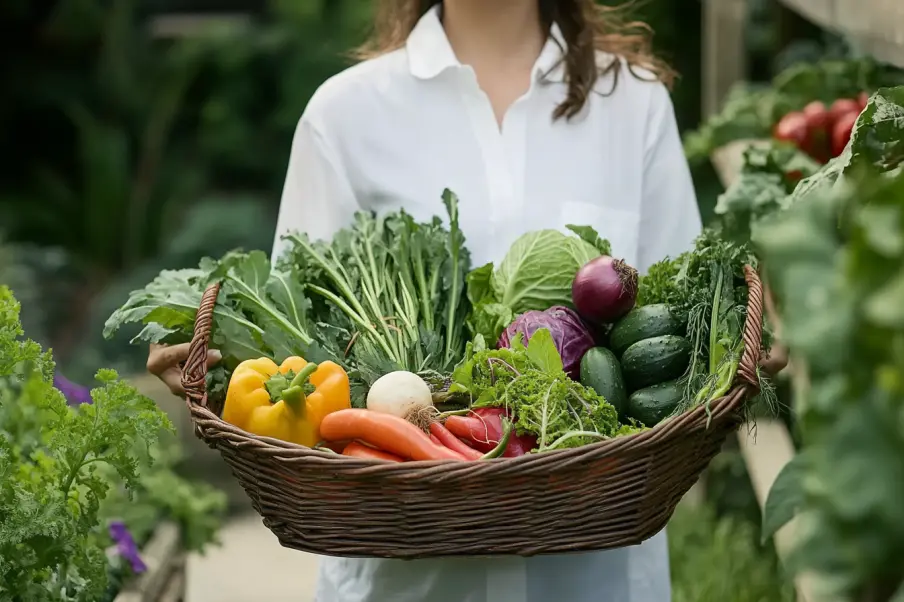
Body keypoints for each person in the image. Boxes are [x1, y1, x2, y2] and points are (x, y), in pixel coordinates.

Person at [147, 1, 721, 600]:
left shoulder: (633, 104)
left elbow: (680, 330)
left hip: (595, 580)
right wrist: (218, 367)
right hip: (403, 583)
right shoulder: (346, 115)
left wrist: (744, 344)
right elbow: (297, 358)